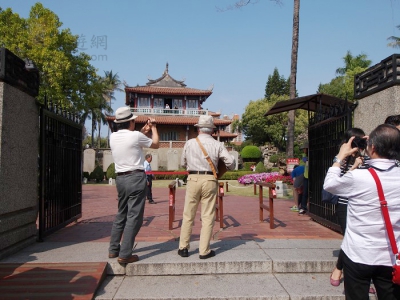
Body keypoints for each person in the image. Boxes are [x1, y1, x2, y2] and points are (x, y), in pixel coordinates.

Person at [323, 124, 400, 299]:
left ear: (371, 147)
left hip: (359, 253)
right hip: (391, 256)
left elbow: (330, 185)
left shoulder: (359, 177)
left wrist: (340, 156)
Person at [178, 115, 235, 259]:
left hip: (192, 178)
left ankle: (183, 247)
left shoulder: (189, 143)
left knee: (188, 214)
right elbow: (231, 164)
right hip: (210, 179)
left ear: (198, 129)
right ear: (212, 131)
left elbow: (182, 163)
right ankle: (204, 250)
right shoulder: (218, 145)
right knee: (208, 216)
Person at [108, 107, 159, 264]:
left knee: (121, 213)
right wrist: (154, 128)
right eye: (133, 121)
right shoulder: (135, 136)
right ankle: (125, 253)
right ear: (130, 122)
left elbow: (131, 140)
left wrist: (143, 130)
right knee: (134, 217)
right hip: (136, 177)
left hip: (121, 179)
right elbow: (156, 144)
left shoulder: (113, 136)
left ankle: (113, 249)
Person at [329, 128, 367, 287]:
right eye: (354, 141)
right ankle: (339, 268)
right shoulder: (340, 159)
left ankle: (357, 274)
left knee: (361, 241)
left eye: (360, 141)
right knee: (349, 239)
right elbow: (336, 184)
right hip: (345, 205)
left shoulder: (368, 158)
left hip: (362, 205)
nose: (357, 145)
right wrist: (354, 167)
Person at [298, 142, 309, 215]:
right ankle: (303, 207)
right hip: (306, 175)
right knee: (305, 192)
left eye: (305, 149)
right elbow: (305, 160)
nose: (304, 151)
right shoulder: (304, 156)